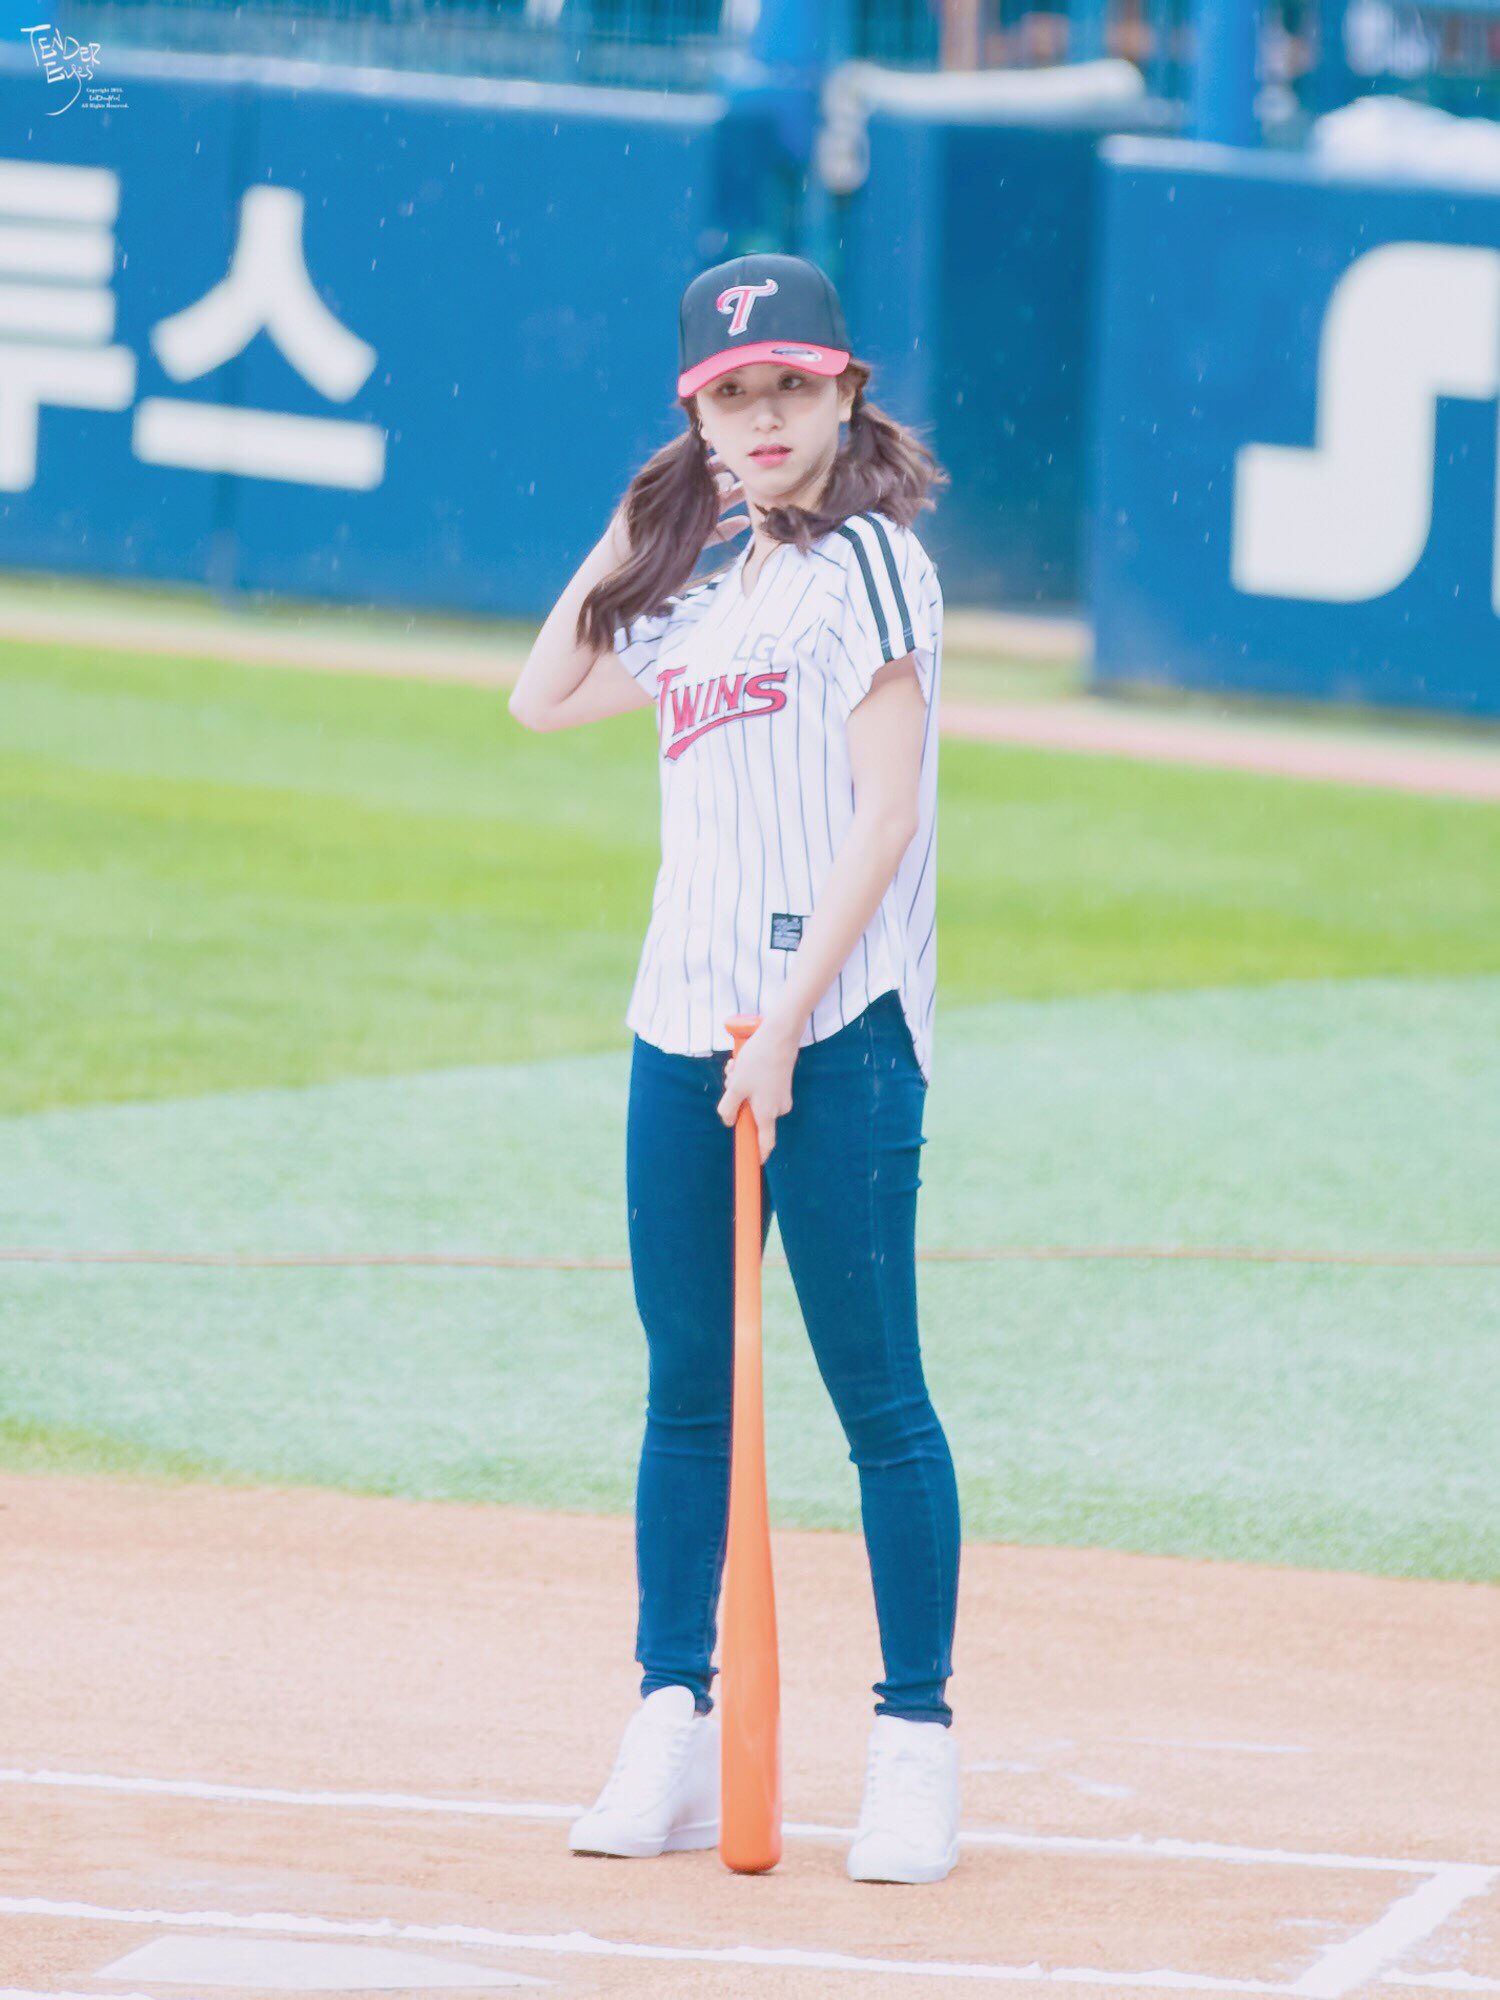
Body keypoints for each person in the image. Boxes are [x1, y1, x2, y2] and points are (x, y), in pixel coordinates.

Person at [507, 252, 962, 1885]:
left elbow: (885, 818)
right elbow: (542, 696)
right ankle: (671, 1723)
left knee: (878, 1401)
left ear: (844, 394)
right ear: (698, 415)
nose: (764, 417)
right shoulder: (703, 590)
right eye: (730, 395)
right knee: (686, 1390)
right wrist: (645, 517)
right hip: (678, 1027)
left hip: (838, 1039)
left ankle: (914, 1742)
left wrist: (783, 1025)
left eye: (790, 388)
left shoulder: (879, 569)